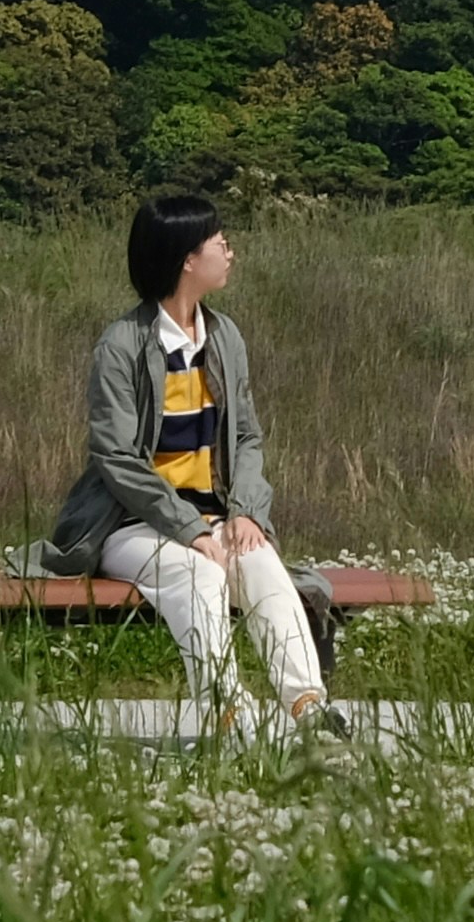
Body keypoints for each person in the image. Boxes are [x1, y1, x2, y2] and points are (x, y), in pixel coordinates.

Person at [52, 191, 330, 730]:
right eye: (219, 243)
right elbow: (115, 457)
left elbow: (247, 436)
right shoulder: (122, 346)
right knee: (201, 575)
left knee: (260, 561)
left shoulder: (224, 338)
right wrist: (188, 529)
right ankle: (226, 712)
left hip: (213, 516)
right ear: (186, 259)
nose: (230, 252)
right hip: (132, 524)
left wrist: (246, 511)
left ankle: (307, 705)